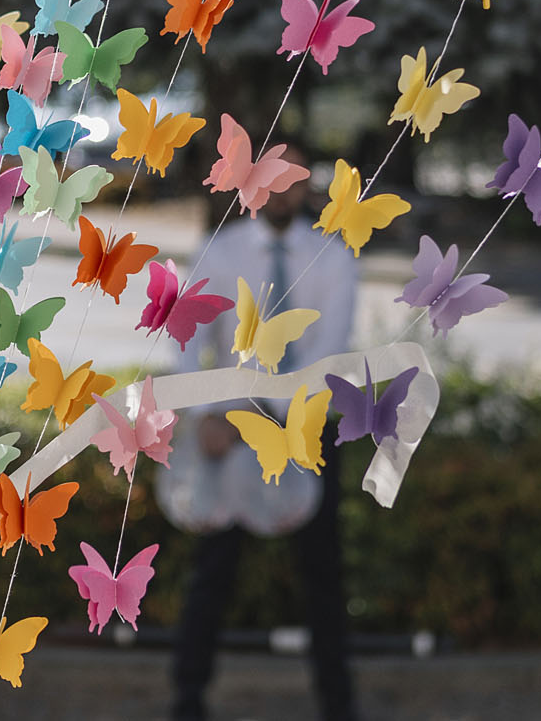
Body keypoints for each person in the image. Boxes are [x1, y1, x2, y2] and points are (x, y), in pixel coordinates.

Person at [169, 162, 361, 721]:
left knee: (323, 573)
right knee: (213, 571)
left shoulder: (333, 256)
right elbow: (186, 336)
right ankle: (186, 701)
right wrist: (206, 411)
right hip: (225, 432)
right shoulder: (220, 251)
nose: (285, 189)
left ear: (308, 187)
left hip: (303, 430)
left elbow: (330, 348)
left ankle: (339, 706)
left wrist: (261, 413)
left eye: (297, 178)